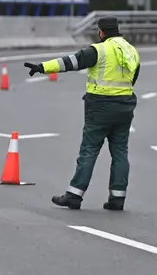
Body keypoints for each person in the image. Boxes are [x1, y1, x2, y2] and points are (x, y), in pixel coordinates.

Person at [23, 16, 140, 211]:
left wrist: (41, 67)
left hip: (100, 107)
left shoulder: (99, 50)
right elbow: (133, 78)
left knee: (89, 150)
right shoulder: (131, 50)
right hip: (125, 106)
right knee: (120, 152)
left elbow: (71, 62)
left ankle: (74, 195)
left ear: (101, 32)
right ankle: (117, 198)